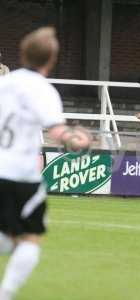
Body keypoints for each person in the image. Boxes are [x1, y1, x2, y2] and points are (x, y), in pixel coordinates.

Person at [0, 27, 91, 300]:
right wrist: (80, 141)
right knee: (31, 239)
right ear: (51, 59)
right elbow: (58, 132)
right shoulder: (43, 90)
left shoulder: (4, 83)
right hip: (20, 175)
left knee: (8, 238)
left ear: (23, 53)